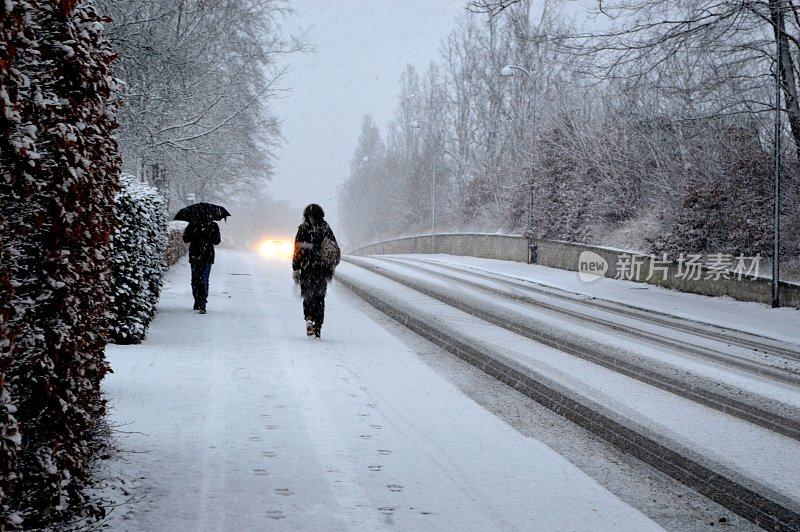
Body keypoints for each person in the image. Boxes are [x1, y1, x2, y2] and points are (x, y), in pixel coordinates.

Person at [292, 204, 339, 338]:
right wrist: (330, 268)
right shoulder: (326, 228)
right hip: (322, 270)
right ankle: (317, 327)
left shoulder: (303, 229)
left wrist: (296, 269)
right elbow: (333, 249)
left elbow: (297, 251)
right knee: (319, 298)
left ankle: (309, 318)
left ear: (305, 215)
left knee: (308, 296)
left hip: (307, 268)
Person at [183, 220, 221, 314]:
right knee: (198, 279)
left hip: (205, 256)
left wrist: (208, 235)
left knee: (201, 279)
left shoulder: (212, 225)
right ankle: (198, 300)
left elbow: (217, 241)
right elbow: (186, 238)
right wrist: (196, 233)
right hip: (197, 256)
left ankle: (202, 301)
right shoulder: (193, 225)